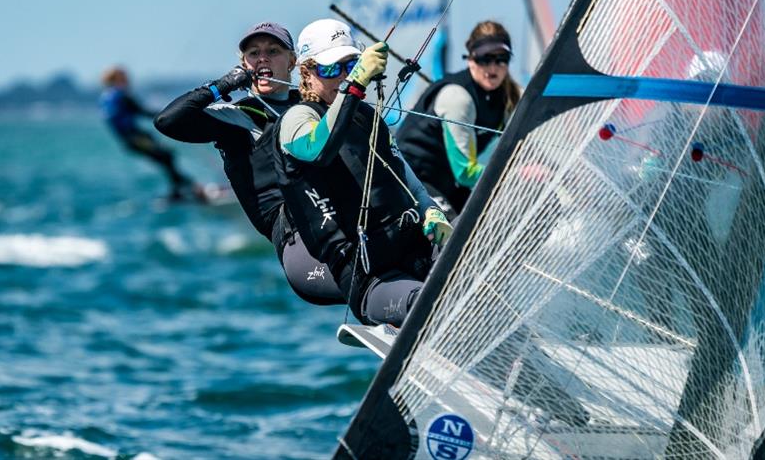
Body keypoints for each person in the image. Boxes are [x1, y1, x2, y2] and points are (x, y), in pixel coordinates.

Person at [274, 19, 453, 327]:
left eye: (351, 65)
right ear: (306, 72)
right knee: (428, 304)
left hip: (413, 248)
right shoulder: (296, 119)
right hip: (369, 277)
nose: (342, 77)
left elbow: (410, 183)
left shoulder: (367, 117)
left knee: (480, 268)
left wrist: (432, 213)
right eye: (331, 69)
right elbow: (319, 148)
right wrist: (355, 85)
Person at [154, 22, 343, 305]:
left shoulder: (311, 107)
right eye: (253, 53)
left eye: (273, 51)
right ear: (244, 64)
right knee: (369, 281)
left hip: (341, 222)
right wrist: (224, 85)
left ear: (293, 61)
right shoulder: (237, 118)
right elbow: (167, 121)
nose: (262, 58)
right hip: (300, 242)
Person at [396, 21, 522, 219]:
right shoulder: (457, 97)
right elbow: (465, 173)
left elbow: (529, 142)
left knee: (496, 219)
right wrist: (517, 174)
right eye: (485, 58)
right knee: (454, 231)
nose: (493, 67)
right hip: (411, 180)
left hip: (447, 183)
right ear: (471, 59)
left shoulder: (508, 98)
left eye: (501, 59)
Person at [99, 66, 197, 200]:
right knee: (166, 156)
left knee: (165, 157)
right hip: (134, 138)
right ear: (117, 78)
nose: (128, 79)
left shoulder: (106, 96)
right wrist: (171, 114)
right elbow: (142, 111)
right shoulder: (121, 96)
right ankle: (180, 190)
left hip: (130, 139)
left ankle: (183, 186)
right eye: (124, 76)